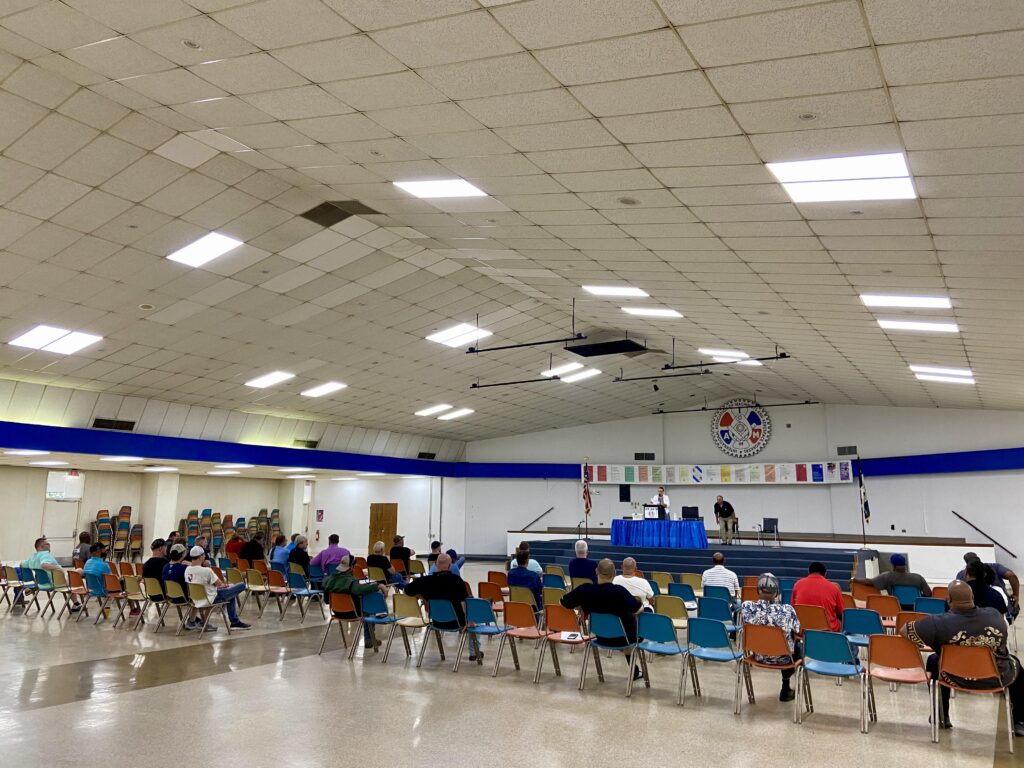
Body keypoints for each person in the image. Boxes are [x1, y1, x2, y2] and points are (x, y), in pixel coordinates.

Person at [903, 580, 1024, 735]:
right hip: (996, 678)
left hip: (952, 676)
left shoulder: (936, 622)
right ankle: (1019, 721)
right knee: (1016, 665)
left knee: (934, 660)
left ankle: (941, 713)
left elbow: (905, 630)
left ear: (948, 600)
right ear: (972, 597)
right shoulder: (994, 615)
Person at [561, 558, 644, 676]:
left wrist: (581, 606)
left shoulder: (585, 589)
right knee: (632, 623)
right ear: (614, 574)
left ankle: (634, 670)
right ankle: (633, 669)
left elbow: (564, 602)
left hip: (599, 636)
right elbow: (638, 609)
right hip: (623, 638)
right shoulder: (620, 592)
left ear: (596, 571)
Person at [405, 553, 481, 661]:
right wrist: (470, 621)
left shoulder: (424, 581)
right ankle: (474, 653)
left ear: (435, 565)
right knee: (475, 619)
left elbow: (407, 590)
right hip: (457, 622)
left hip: (435, 621)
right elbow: (464, 604)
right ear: (450, 566)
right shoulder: (457, 580)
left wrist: (421, 595)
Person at [740, 573, 802, 701]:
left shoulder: (746, 607)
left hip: (758, 656)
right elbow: (798, 631)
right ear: (777, 592)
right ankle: (786, 687)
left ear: (757, 590)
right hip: (784, 659)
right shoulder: (787, 610)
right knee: (799, 646)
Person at [322, 554, 389, 648]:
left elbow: (326, 601)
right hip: (352, 613)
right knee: (369, 608)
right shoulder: (351, 581)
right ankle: (369, 638)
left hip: (336, 612)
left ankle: (370, 638)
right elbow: (358, 590)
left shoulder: (329, 579)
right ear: (352, 567)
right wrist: (378, 585)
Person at [184, 546, 250, 630]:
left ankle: (235, 622)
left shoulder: (187, 570)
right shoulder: (206, 570)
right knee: (241, 585)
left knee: (231, 596)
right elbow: (219, 584)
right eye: (204, 555)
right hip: (211, 597)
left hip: (196, 598)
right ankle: (234, 622)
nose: (205, 557)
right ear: (200, 557)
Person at [792, 561, 844, 631]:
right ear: (825, 574)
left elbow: (793, 608)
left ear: (809, 572)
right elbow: (841, 612)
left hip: (803, 630)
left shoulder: (797, 585)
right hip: (827, 631)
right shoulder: (834, 588)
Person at [853, 554, 932, 598]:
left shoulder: (887, 577)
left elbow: (868, 582)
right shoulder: (918, 578)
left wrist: (854, 579)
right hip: (915, 610)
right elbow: (928, 594)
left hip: (896, 609)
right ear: (905, 565)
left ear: (893, 566)